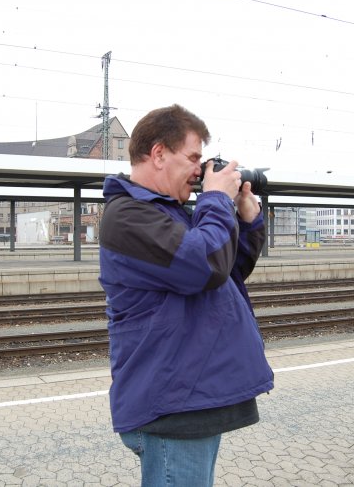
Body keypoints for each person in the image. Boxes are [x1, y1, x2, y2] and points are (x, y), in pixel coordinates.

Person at [98, 104, 274, 486]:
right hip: (172, 405)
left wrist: (247, 220)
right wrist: (215, 199)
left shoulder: (170, 213)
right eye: (194, 158)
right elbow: (205, 265)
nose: (200, 170)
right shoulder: (129, 216)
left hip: (191, 397)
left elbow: (227, 270)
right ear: (158, 154)